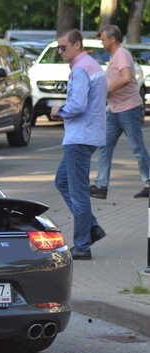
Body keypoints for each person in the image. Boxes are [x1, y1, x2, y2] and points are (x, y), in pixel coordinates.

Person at [51, 29, 107, 260]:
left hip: (79, 137)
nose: (60, 52)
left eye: (63, 47)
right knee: (62, 181)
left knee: (78, 193)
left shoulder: (81, 69)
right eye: (58, 48)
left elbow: (77, 105)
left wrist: (58, 111)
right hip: (88, 134)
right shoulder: (91, 64)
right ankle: (91, 227)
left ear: (77, 45)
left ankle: (82, 245)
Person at [90, 24, 150, 200]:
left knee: (137, 148)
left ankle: (149, 182)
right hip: (114, 110)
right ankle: (101, 186)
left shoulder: (122, 55)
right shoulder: (115, 56)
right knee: (104, 146)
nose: (101, 42)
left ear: (112, 39)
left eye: (103, 39)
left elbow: (126, 78)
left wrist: (107, 90)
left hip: (129, 109)